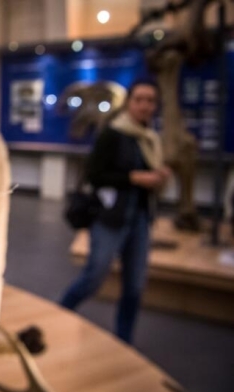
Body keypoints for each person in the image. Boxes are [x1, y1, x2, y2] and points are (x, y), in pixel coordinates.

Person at [60, 78, 171, 344]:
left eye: (150, 101)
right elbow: (95, 174)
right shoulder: (112, 133)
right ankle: (58, 312)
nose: (145, 106)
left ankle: (124, 340)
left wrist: (159, 177)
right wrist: (134, 178)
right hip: (111, 218)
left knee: (134, 286)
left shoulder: (151, 139)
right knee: (94, 277)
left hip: (140, 219)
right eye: (139, 99)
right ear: (129, 102)